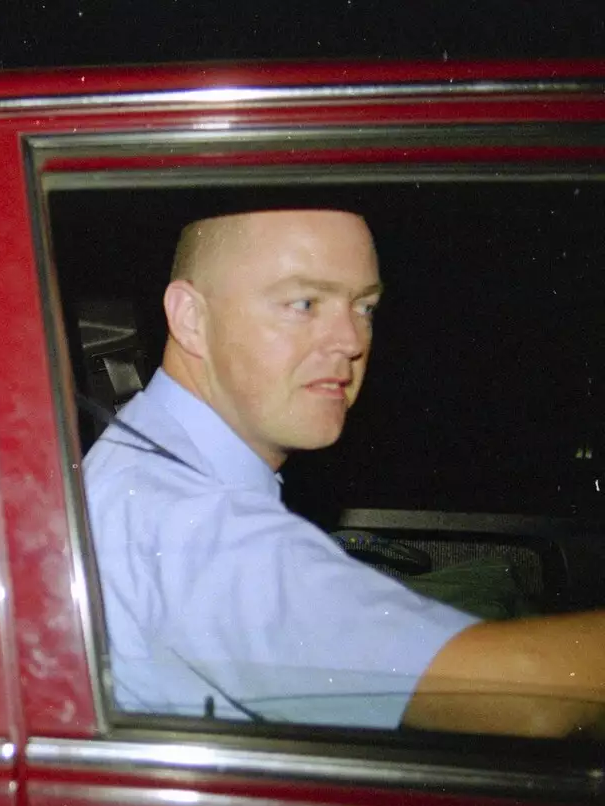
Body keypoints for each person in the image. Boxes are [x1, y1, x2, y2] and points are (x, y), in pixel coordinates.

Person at [84, 208, 605, 738]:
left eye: (365, 306)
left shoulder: (147, 453)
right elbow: (533, 694)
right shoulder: (194, 523)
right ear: (192, 318)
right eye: (304, 304)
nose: (352, 340)